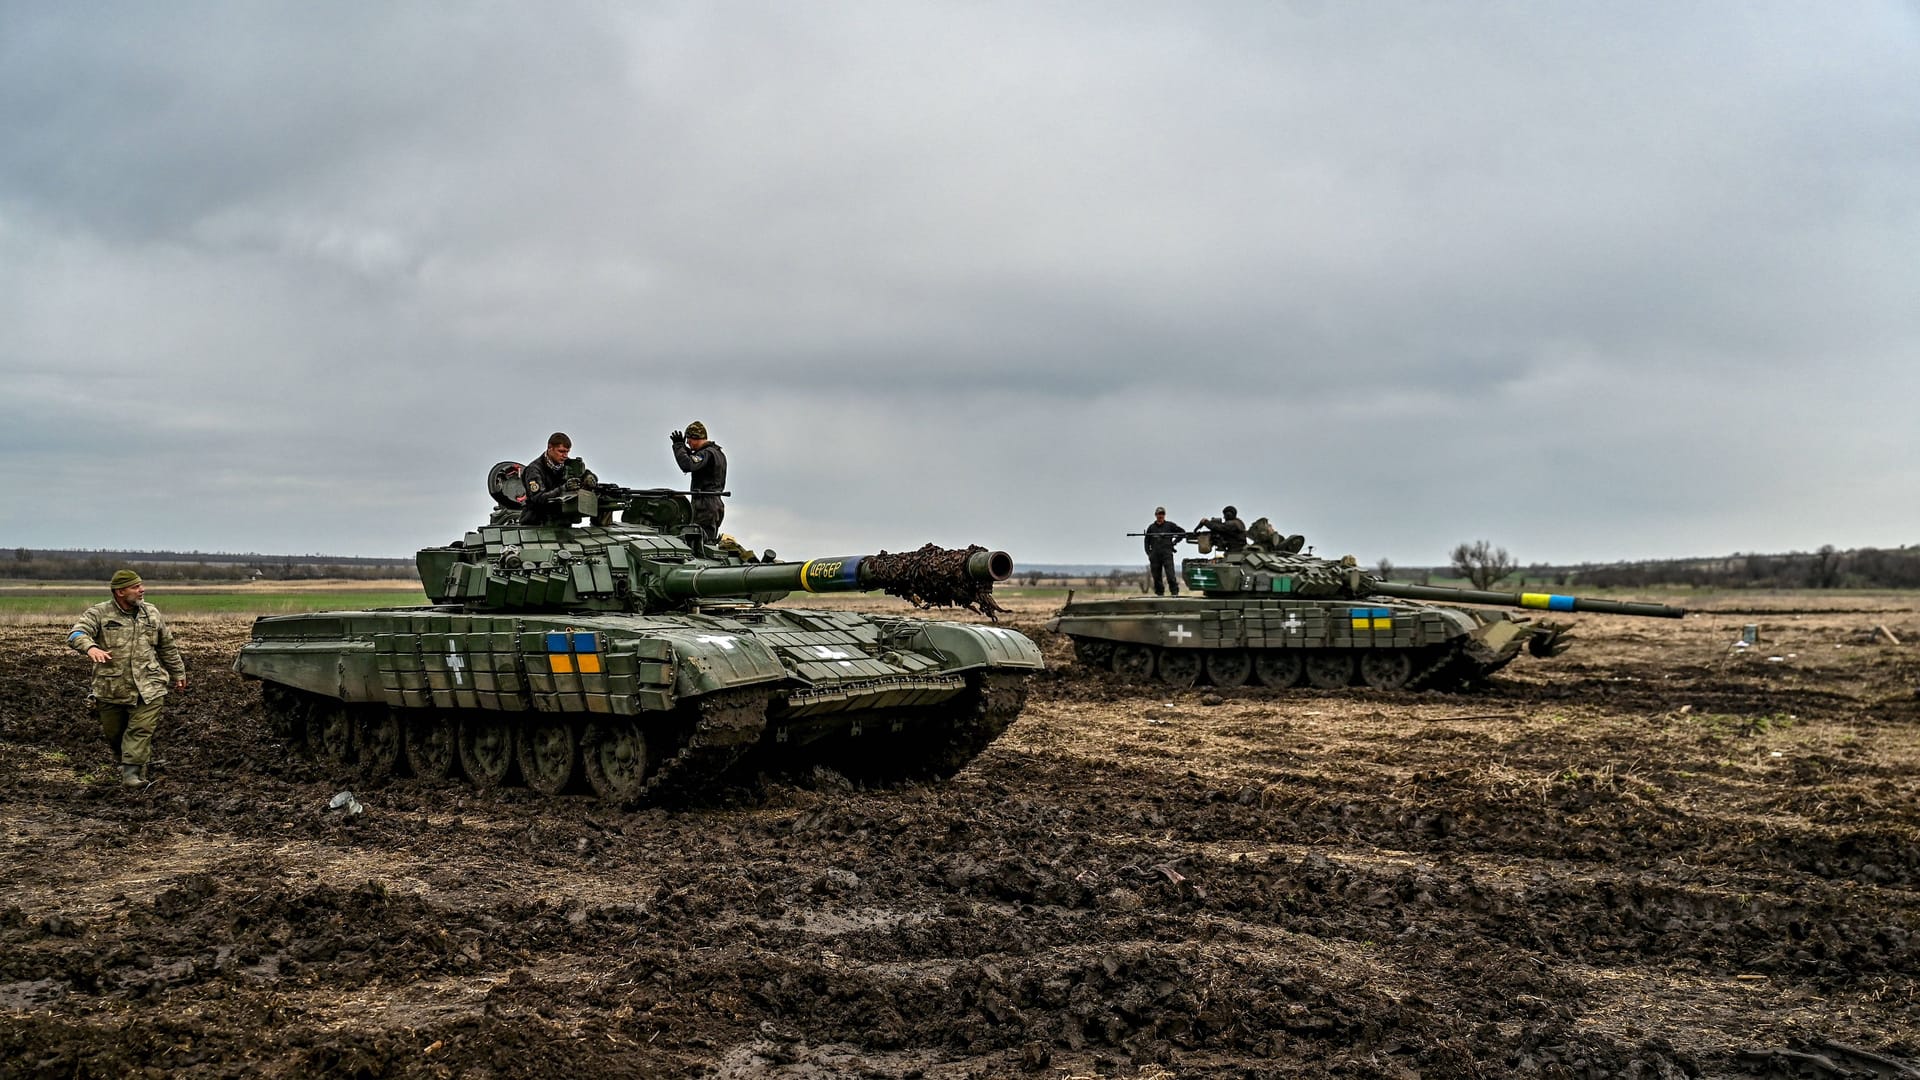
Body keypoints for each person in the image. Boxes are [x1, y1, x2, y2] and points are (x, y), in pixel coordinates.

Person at [67, 570, 187, 786]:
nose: (142, 590)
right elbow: (76, 634)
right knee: (114, 734)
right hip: (111, 687)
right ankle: (130, 764)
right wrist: (91, 647)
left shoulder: (151, 613)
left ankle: (131, 775)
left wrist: (178, 673)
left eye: (141, 585)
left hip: (149, 686)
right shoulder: (99, 613)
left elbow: (167, 645)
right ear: (120, 591)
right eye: (136, 587)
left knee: (140, 730)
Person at [671, 420, 728, 539]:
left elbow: (688, 465)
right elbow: (695, 461)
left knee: (698, 542)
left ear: (696, 437)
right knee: (707, 541)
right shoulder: (717, 453)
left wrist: (678, 447)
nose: (688, 443)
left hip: (704, 506)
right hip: (714, 503)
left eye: (689, 440)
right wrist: (684, 449)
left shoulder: (706, 453)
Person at [520, 432, 581, 526]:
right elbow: (539, 498)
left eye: (567, 452)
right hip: (537, 524)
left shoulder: (567, 464)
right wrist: (563, 488)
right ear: (550, 448)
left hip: (561, 523)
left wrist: (590, 478)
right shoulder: (534, 470)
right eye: (561, 451)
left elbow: (584, 474)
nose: (565, 455)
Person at [1143, 506, 1185, 596]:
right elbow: (1146, 541)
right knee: (1156, 577)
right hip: (1155, 555)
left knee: (1170, 575)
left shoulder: (1169, 525)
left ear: (1164, 515)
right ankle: (1159, 594)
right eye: (1159, 514)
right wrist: (1149, 553)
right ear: (1155, 515)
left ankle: (1174, 593)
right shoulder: (1151, 528)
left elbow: (1182, 532)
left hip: (1167, 554)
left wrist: (1174, 542)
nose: (1160, 516)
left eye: (1162, 514)